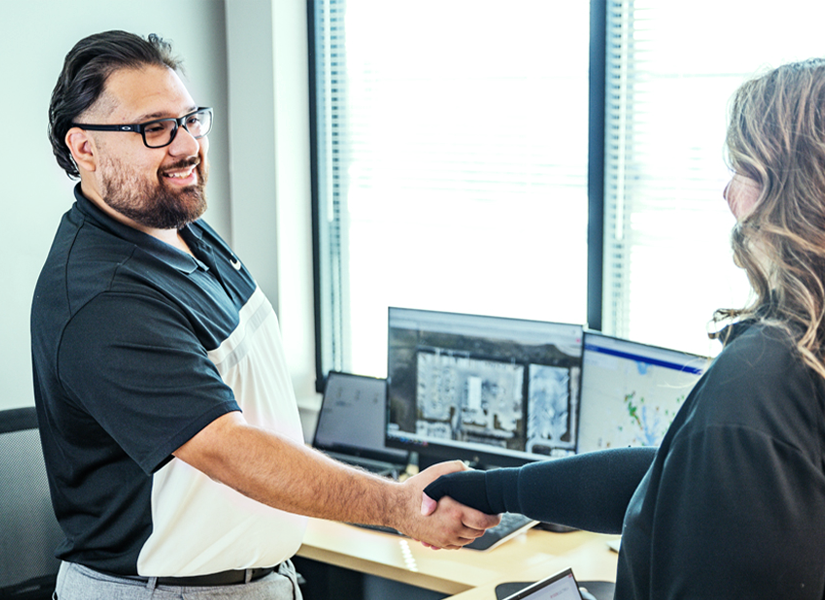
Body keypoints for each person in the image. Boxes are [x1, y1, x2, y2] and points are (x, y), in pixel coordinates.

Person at [32, 30, 499, 600]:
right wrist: (397, 505)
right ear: (84, 148)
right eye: (155, 128)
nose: (187, 146)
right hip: (165, 592)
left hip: (254, 580)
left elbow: (255, 405)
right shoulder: (102, 298)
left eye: (191, 120)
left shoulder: (180, 228)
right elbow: (230, 448)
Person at [424, 49, 825, 599]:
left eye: (743, 169)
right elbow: (684, 481)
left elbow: (729, 466)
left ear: (803, 194)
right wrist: (493, 490)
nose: (728, 195)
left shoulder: (765, 389)